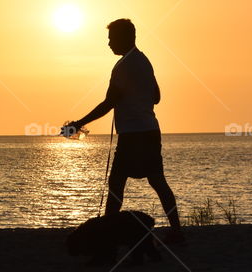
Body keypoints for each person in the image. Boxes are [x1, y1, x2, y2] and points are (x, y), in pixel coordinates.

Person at [67, 18, 185, 244]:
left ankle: (105, 236)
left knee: (116, 184)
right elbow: (157, 97)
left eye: (112, 39)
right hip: (151, 131)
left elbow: (108, 103)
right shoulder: (145, 61)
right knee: (158, 182)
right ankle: (177, 231)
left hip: (132, 135)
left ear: (125, 38)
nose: (109, 43)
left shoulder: (122, 67)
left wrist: (78, 123)